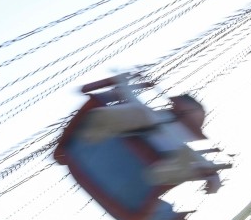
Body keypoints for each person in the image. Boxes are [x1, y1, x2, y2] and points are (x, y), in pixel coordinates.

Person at [79, 78, 225, 194]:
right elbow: (128, 98)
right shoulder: (157, 117)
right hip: (119, 136)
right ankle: (94, 128)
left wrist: (209, 175)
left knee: (172, 163)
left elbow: (193, 160)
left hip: (144, 168)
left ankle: (95, 128)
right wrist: (131, 83)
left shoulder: (179, 145)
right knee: (140, 112)